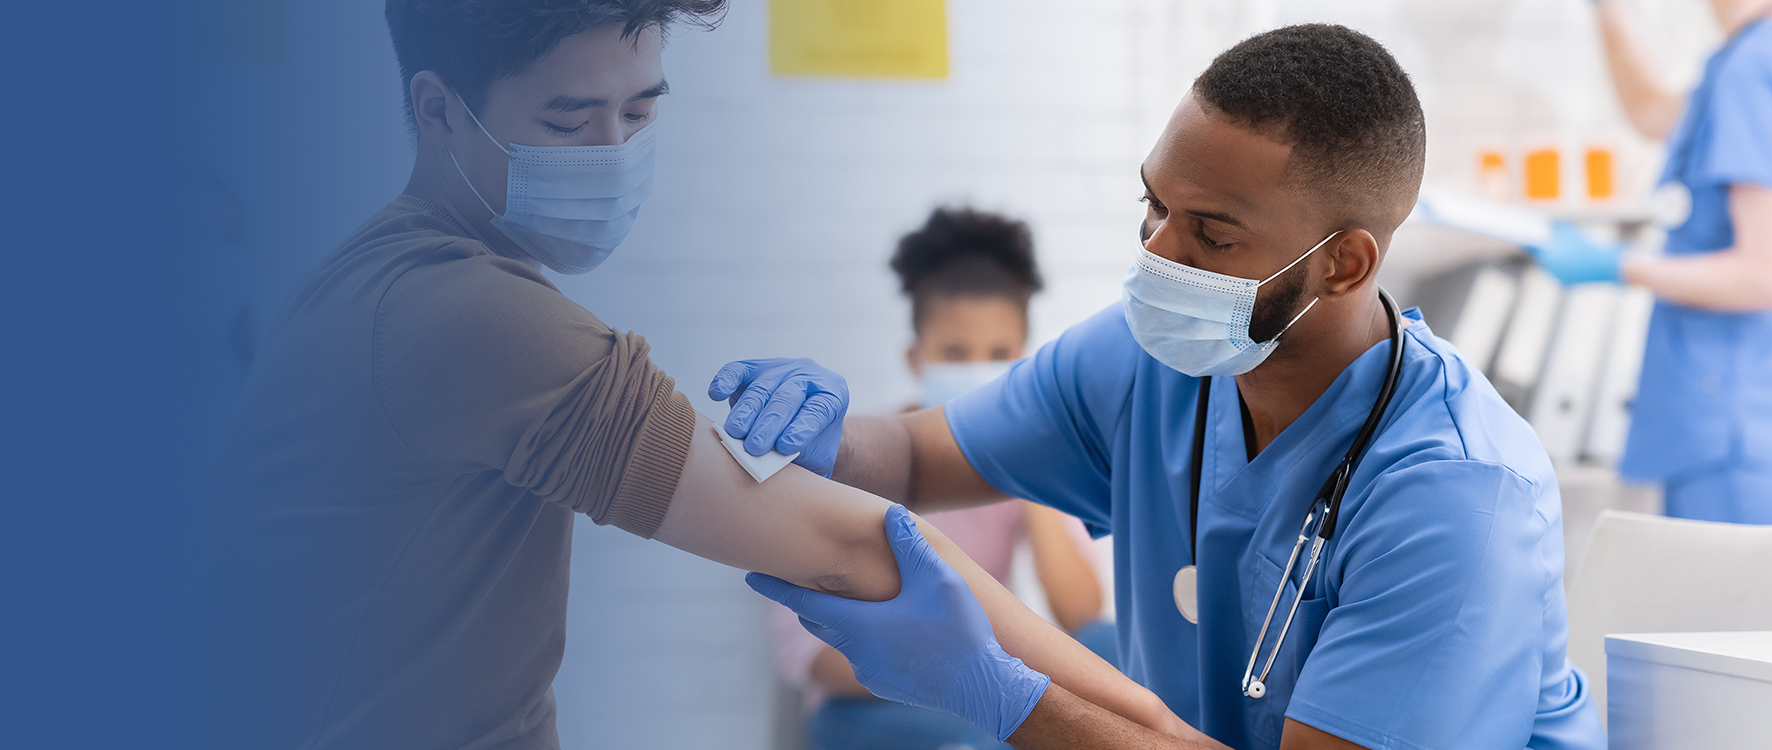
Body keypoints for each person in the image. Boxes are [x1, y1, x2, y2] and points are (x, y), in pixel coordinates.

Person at [187, 2, 1212, 748]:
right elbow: (857, 543)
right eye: (566, 120)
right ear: (439, 109)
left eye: (639, 112)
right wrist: (1162, 736)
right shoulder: (471, 320)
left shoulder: (380, 280)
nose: (611, 150)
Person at [738, 24, 1606, 750]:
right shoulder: (1140, 362)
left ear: (1344, 263)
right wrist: (832, 437)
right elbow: (916, 461)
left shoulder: (1457, 496)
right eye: (1153, 205)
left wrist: (1001, 695)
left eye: (1211, 234)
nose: (1157, 252)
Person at [1528, 0, 1772, 624]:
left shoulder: (1754, 71)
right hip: (1731, 425)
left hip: (1736, 431)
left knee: (1751, 681)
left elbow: (1770, 274)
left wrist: (1619, 265)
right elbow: (1649, 110)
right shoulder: (1746, 59)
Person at [773, 206, 1118, 750]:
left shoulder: (1027, 460)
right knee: (1002, 733)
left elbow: (1081, 616)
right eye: (956, 354)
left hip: (986, 695)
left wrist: (1026, 470)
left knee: (1112, 651)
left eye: (999, 356)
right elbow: (808, 656)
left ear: (1025, 362)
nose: (978, 371)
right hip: (874, 709)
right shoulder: (857, 459)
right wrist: (956, 680)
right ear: (917, 358)